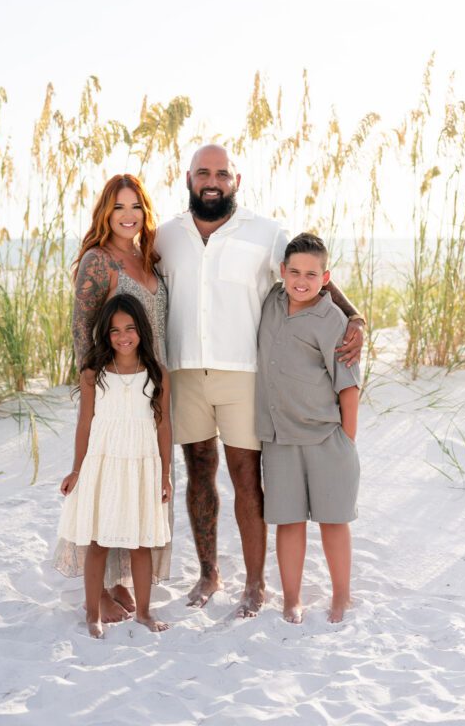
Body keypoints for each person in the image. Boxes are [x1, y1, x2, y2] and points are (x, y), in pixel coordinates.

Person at [156, 144, 364, 616]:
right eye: (203, 173)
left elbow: (310, 277)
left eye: (222, 174)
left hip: (244, 375)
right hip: (186, 372)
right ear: (188, 178)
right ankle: (209, 574)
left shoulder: (267, 233)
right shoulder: (164, 236)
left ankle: (256, 583)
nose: (213, 181)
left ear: (237, 180)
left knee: (247, 476)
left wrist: (356, 318)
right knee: (198, 474)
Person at [54, 174, 171, 625]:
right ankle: (99, 591)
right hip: (114, 388)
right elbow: (83, 327)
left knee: (139, 492)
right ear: (106, 212)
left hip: (151, 385)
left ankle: (122, 581)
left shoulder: (148, 259)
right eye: (119, 207)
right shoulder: (98, 261)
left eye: (136, 206)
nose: (128, 215)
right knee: (106, 490)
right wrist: (100, 384)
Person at [256, 233, 360, 624]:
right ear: (281, 272)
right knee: (289, 521)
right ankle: (291, 599)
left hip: (325, 439)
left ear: (326, 277)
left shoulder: (333, 320)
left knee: (334, 521)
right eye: (294, 272)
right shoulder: (271, 303)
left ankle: (341, 597)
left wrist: (346, 440)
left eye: (311, 274)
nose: (301, 280)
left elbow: (348, 386)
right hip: (280, 438)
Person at [56, 294, 173, 638]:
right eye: (114, 331)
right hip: (103, 463)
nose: (123, 337)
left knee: (140, 543)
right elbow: (85, 424)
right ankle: (92, 613)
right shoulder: (94, 374)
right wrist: (77, 469)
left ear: (142, 331)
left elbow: (163, 426)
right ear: (105, 336)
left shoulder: (156, 374)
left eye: (130, 329)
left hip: (141, 464)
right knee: (98, 541)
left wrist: (164, 474)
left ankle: (145, 612)